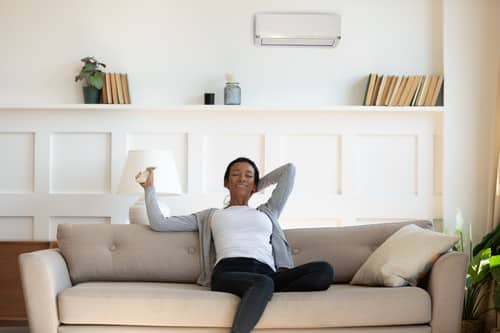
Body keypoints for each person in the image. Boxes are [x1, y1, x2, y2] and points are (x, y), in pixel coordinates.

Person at [138, 157, 334, 333]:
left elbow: (289, 170)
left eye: (248, 176)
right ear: (226, 182)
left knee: (324, 270)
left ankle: (263, 293)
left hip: (268, 273)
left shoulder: (267, 212)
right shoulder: (211, 215)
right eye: (235, 175)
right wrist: (149, 189)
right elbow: (159, 223)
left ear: (255, 185)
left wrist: (254, 185)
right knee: (263, 283)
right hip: (229, 272)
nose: (241, 178)